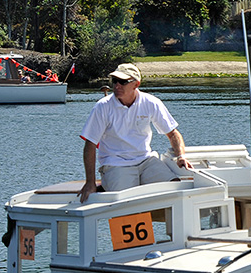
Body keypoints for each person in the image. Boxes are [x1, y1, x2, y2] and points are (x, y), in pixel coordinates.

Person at [78, 63, 192, 202]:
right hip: (116, 164)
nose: (117, 86)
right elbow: (90, 144)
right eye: (115, 81)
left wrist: (181, 156)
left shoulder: (151, 102)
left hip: (146, 160)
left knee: (176, 189)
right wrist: (90, 182)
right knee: (125, 201)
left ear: (136, 84)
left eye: (123, 82)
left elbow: (173, 133)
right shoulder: (102, 107)